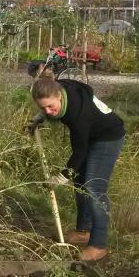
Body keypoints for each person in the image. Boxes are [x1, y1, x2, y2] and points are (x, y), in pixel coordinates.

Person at [28, 76, 125, 261]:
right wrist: (39, 118)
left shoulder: (77, 113)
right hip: (90, 134)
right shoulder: (57, 87)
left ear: (59, 96)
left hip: (108, 137)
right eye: (42, 107)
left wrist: (61, 177)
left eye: (50, 107)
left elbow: (79, 153)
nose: (48, 111)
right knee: (80, 182)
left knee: (94, 188)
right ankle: (83, 231)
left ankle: (98, 244)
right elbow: (53, 101)